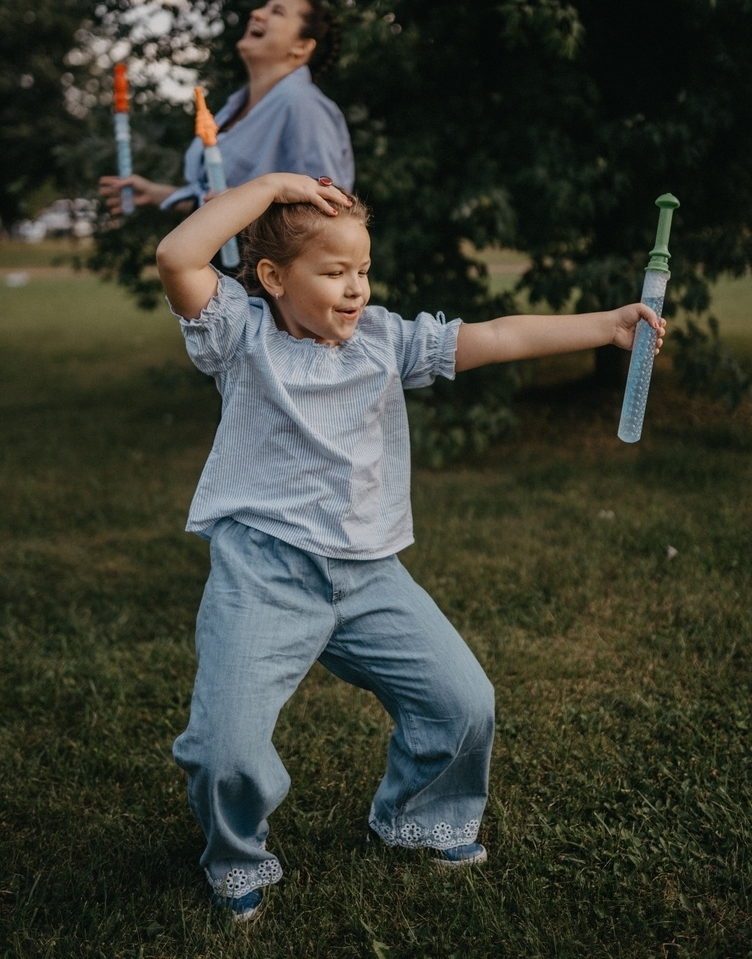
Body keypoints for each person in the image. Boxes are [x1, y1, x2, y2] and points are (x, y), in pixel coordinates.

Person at [155, 172, 665, 923]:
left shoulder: (385, 339)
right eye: (334, 272)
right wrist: (272, 186)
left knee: (463, 704)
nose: (356, 287)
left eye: (363, 269)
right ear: (272, 278)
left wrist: (607, 326)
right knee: (224, 747)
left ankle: (418, 818)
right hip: (263, 573)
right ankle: (237, 860)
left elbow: (498, 335)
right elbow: (177, 256)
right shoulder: (239, 334)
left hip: (368, 576)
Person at [98, 0, 354, 218]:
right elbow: (214, 199)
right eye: (263, 7)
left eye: (277, 12)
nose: (256, 13)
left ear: (302, 46)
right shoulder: (233, 107)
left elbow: (330, 206)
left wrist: (241, 202)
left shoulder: (303, 104)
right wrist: (156, 194)